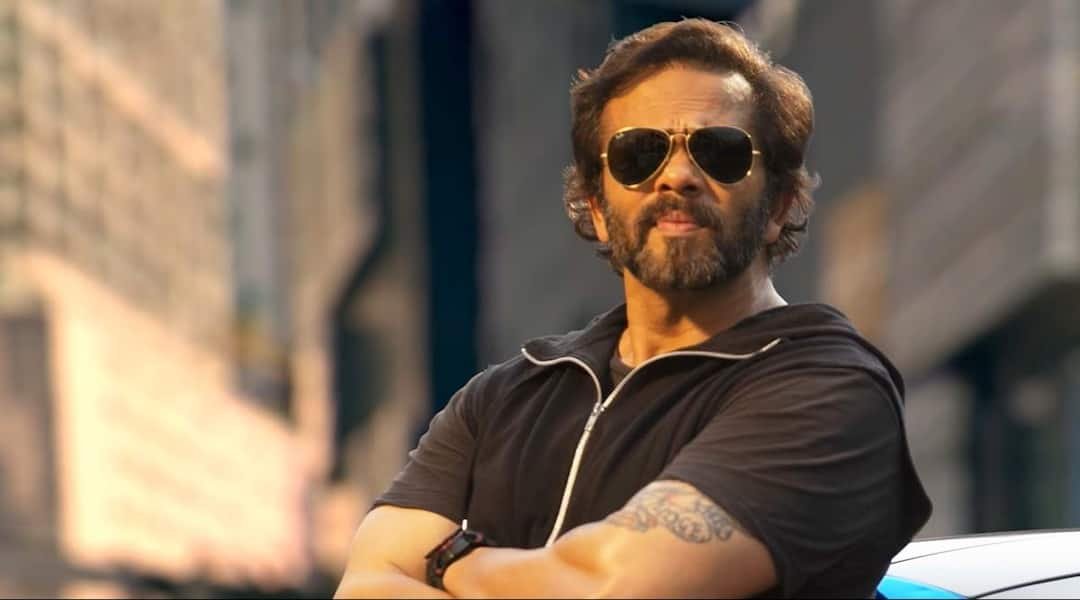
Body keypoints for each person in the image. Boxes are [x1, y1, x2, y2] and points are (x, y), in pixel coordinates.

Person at [335, 18, 931, 599]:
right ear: (596, 207)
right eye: (639, 153)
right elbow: (366, 585)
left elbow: (610, 586)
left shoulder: (828, 389)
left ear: (778, 205)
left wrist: (451, 558)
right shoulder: (501, 400)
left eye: (720, 152)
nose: (677, 176)